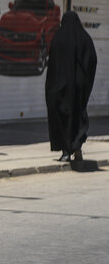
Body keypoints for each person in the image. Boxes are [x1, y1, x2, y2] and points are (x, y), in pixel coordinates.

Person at [45, 11, 97, 162]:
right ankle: (77, 147)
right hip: (78, 88)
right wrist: (84, 82)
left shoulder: (58, 38)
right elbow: (92, 61)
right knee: (77, 117)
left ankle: (65, 151)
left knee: (62, 118)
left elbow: (52, 66)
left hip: (60, 88)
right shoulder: (84, 38)